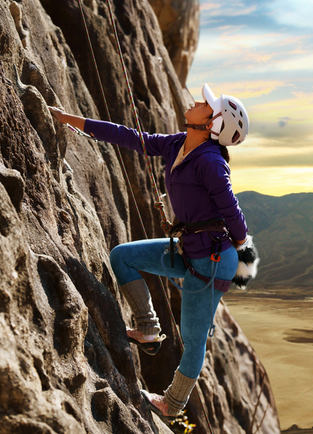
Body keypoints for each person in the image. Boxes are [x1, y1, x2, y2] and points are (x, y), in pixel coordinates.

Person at [48, 84, 256, 424]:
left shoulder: (211, 163)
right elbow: (129, 136)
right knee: (122, 257)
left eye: (207, 105)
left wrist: (240, 250)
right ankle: (147, 328)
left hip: (212, 263)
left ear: (212, 124)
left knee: (192, 341)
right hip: (192, 251)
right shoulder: (177, 143)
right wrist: (70, 119)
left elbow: (233, 215)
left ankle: (172, 405)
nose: (198, 101)